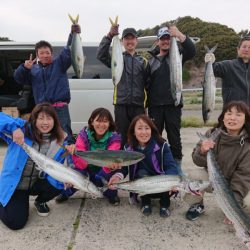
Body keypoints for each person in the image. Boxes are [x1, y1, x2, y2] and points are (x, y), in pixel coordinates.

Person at [0, 103, 74, 230]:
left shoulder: (60, 140)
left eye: (49, 118)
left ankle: (40, 201)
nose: (45, 122)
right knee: (16, 223)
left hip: (37, 181)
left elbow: (65, 163)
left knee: (60, 182)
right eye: (41, 118)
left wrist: (68, 175)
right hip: (17, 185)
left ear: (54, 121)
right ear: (34, 119)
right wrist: (13, 128)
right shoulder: (22, 129)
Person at [13, 24, 81, 144]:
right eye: (42, 53)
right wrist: (24, 67)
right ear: (37, 55)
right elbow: (18, 79)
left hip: (60, 108)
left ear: (52, 53)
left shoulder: (59, 64)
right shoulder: (33, 70)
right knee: (42, 137)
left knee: (65, 135)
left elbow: (68, 50)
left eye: (47, 52)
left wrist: (72, 34)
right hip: (42, 109)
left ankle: (70, 161)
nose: (45, 55)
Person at [185, 101, 250, 222]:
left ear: (245, 119)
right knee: (193, 175)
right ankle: (197, 204)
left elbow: (243, 177)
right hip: (213, 180)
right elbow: (196, 161)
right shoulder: (211, 134)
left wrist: (234, 208)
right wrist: (202, 151)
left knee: (246, 206)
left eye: (238, 115)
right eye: (229, 113)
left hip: (234, 184)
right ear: (223, 117)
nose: (232, 118)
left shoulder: (248, 145)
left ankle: (232, 207)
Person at [109, 114, 178, 217]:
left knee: (165, 177)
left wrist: (172, 182)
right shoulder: (128, 148)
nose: (144, 132)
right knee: (141, 173)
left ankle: (165, 204)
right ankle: (145, 203)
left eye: (147, 128)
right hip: (141, 186)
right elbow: (123, 168)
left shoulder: (162, 145)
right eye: (140, 128)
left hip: (162, 185)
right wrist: (116, 177)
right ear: (133, 131)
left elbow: (171, 166)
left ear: (152, 130)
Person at [147, 26, 196, 171]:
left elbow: (192, 51)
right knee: (155, 138)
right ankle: (156, 167)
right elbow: (146, 85)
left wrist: (179, 35)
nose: (166, 41)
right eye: (163, 39)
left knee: (175, 139)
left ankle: (177, 169)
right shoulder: (150, 62)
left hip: (173, 106)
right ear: (157, 42)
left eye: (168, 38)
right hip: (155, 107)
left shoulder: (178, 55)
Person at [55, 107, 122, 205]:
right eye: (98, 121)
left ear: (109, 123)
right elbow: (80, 165)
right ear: (92, 122)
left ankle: (111, 193)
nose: (101, 125)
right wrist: (74, 152)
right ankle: (66, 192)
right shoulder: (83, 135)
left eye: (105, 121)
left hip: (102, 169)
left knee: (107, 177)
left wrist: (110, 166)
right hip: (85, 167)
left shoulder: (115, 139)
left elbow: (109, 161)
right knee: (77, 175)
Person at [96, 24, 149, 146]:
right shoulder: (117, 57)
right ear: (122, 41)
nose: (129, 41)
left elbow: (147, 86)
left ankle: (138, 163)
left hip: (138, 106)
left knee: (139, 137)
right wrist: (109, 36)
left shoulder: (143, 61)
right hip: (121, 105)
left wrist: (145, 107)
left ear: (136, 41)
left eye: (132, 39)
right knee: (121, 137)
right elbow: (101, 55)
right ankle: (122, 164)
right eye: (127, 39)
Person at [205, 36, 250, 106]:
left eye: (249, 47)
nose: (246, 50)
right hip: (232, 112)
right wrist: (210, 62)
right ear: (238, 49)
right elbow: (214, 69)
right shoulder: (228, 65)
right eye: (244, 47)